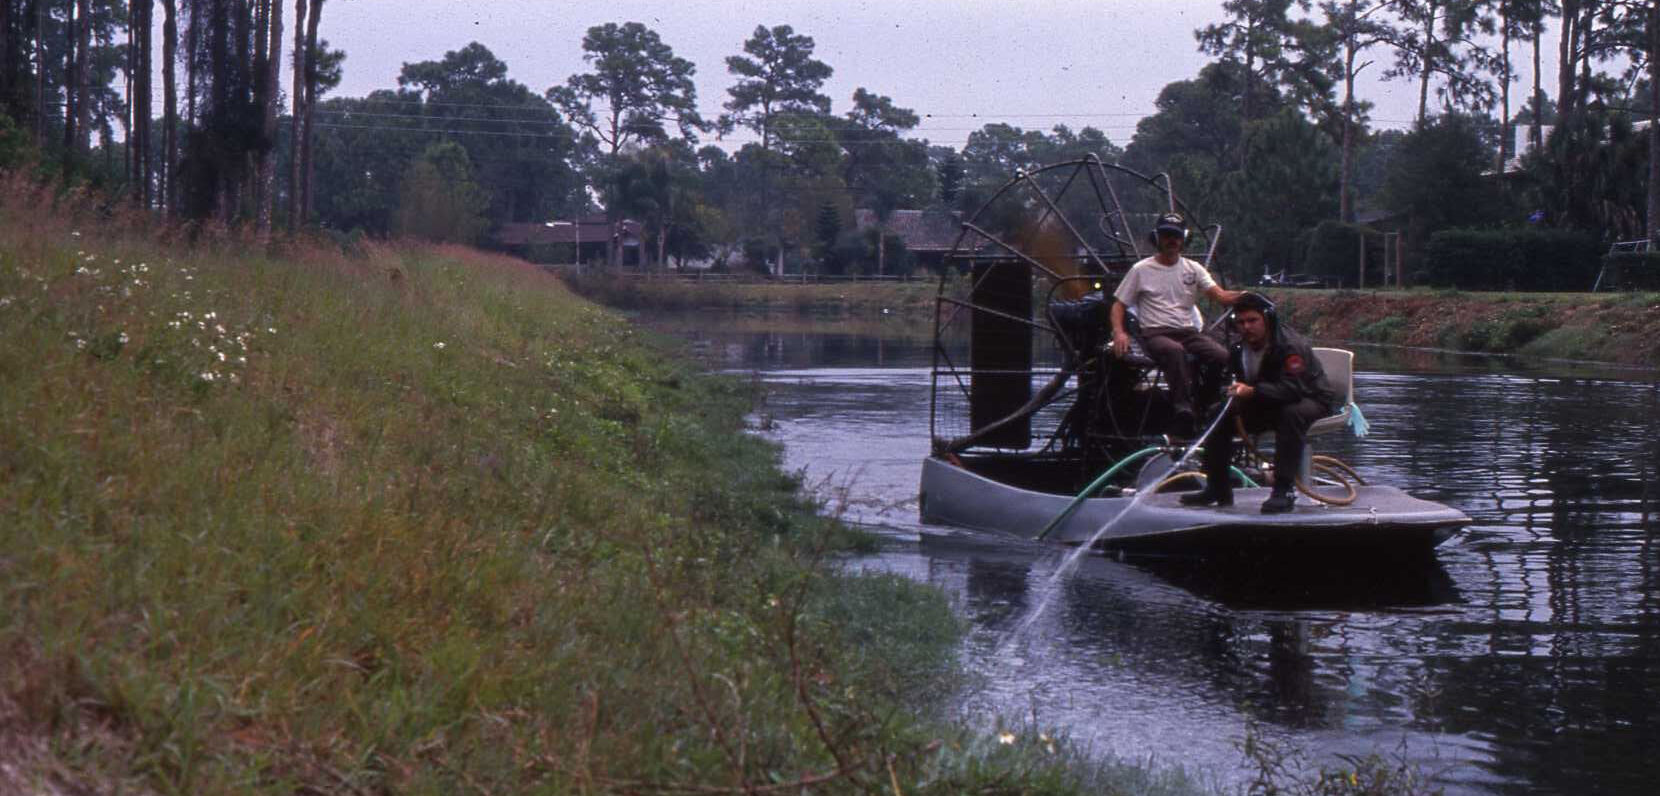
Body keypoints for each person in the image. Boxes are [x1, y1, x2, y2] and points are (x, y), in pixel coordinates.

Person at [1180, 292, 1338, 514]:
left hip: (1310, 398)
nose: (1246, 327)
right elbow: (1236, 381)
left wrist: (1253, 391)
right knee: (1218, 413)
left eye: (1252, 321)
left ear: (1267, 319)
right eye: (1241, 322)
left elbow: (1294, 390)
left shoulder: (1290, 347)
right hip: (1266, 399)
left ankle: (1283, 490)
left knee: (1290, 414)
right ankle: (1217, 488)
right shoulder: (1238, 349)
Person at [1109, 213, 1243, 434]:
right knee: (1174, 351)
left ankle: (1206, 402)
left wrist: (1247, 296)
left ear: (1183, 240)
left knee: (1222, 355)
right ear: (1157, 238)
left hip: (1188, 332)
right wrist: (1119, 332)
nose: (1172, 240)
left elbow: (1220, 296)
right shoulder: (1141, 270)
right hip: (1155, 334)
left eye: (1176, 236)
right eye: (1167, 235)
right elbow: (1118, 305)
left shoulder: (1193, 268)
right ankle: (1183, 408)